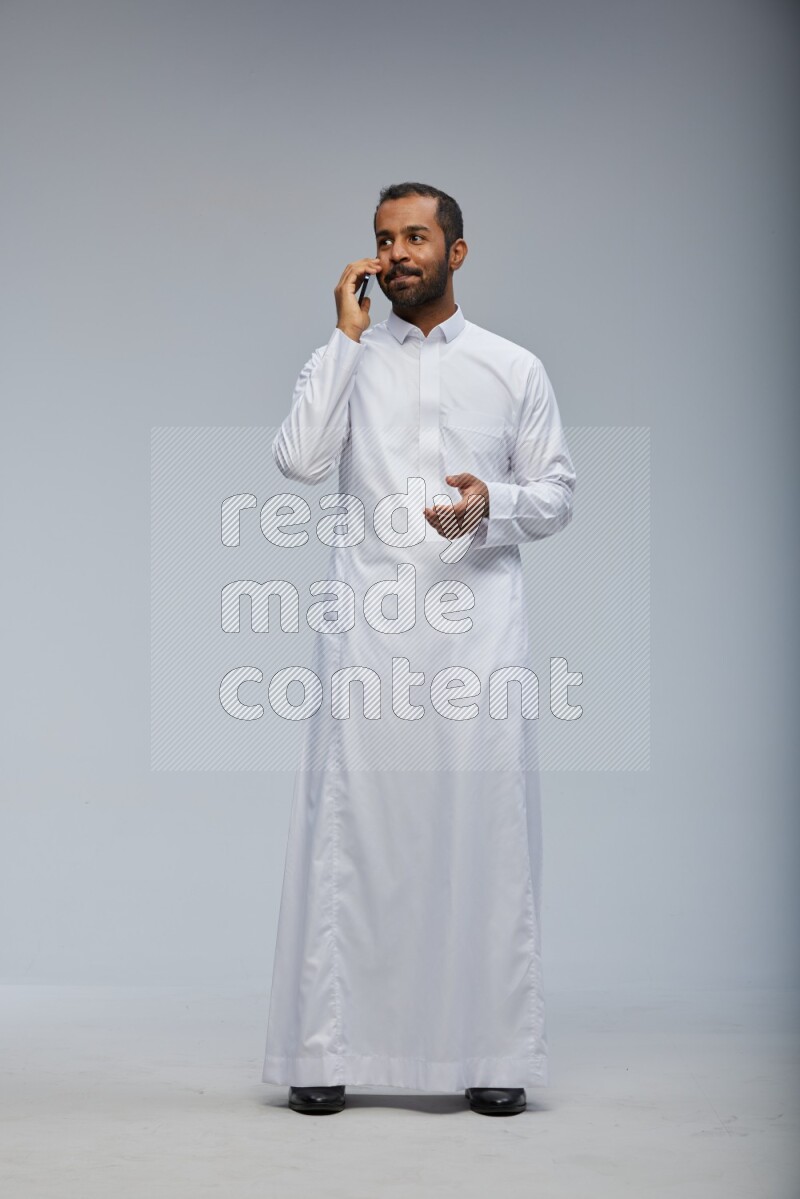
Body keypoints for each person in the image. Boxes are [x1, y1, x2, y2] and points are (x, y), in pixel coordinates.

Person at [262, 182, 575, 1116]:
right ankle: (324, 1053)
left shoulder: (513, 368)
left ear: (457, 252)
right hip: (368, 634)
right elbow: (300, 460)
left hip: (479, 635)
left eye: (415, 237)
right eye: (382, 239)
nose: (396, 253)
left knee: (485, 831)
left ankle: (492, 1053)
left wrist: (493, 505)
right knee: (349, 836)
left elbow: (557, 494)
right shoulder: (348, 359)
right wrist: (344, 338)